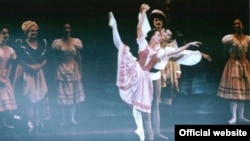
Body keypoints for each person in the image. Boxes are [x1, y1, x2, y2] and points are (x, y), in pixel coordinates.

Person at [109, 3, 202, 141]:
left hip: (152, 75)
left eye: (164, 34)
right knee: (122, 48)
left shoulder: (164, 48)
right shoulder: (147, 40)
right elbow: (140, 28)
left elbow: (177, 52)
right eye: (160, 33)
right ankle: (145, 132)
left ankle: (154, 133)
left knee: (154, 104)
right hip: (140, 72)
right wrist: (142, 12)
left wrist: (191, 48)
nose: (161, 34)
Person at [13, 20, 50, 128]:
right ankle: (29, 119)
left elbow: (46, 57)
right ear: (27, 32)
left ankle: (38, 118)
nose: (34, 33)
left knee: (40, 96)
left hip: (39, 73)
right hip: (27, 73)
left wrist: (40, 66)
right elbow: (20, 59)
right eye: (31, 31)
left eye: (35, 31)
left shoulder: (42, 43)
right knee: (30, 96)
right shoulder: (22, 45)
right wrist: (30, 67)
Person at [217, 18, 250, 124]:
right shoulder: (230, 38)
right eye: (235, 24)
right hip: (234, 64)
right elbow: (223, 42)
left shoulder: (247, 38)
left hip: (244, 64)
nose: (237, 25)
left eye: (239, 23)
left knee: (242, 91)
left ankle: (241, 116)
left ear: (243, 25)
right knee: (234, 92)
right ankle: (234, 117)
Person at [51, 23, 85, 126]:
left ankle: (72, 118)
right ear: (62, 29)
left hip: (74, 68)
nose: (67, 30)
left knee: (73, 95)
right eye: (65, 28)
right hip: (62, 68)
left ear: (71, 29)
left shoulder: (76, 42)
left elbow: (79, 57)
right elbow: (55, 58)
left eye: (68, 28)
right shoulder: (58, 43)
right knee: (63, 95)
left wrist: (80, 71)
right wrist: (55, 71)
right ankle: (62, 119)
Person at [0, 26, 17, 129]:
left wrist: (6, 77)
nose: (6, 35)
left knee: (5, 99)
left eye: (7, 33)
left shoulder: (10, 50)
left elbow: (10, 65)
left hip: (5, 77)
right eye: (3, 33)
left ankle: (4, 123)